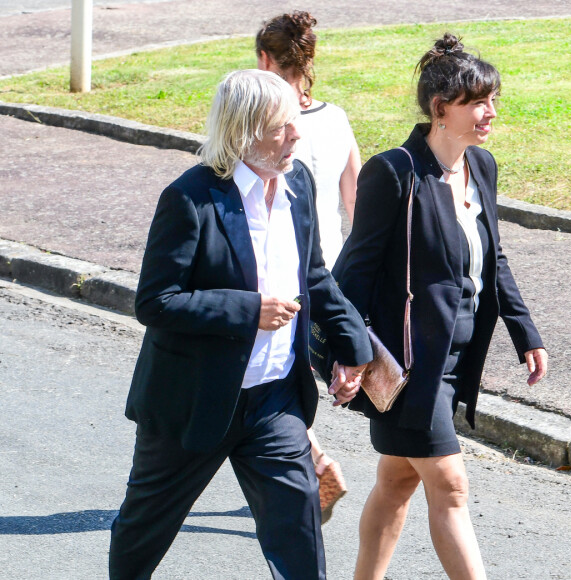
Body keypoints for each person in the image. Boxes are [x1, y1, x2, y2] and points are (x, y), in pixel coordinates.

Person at [108, 69, 372, 580]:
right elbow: (156, 302)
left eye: (296, 122)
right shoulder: (190, 199)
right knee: (144, 530)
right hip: (194, 402)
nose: (296, 135)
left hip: (274, 400)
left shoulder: (297, 181)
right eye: (282, 127)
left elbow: (313, 275)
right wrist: (249, 312)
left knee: (298, 530)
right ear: (243, 132)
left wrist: (353, 345)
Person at [336, 34, 548, 579]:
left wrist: (525, 331)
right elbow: (353, 271)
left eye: (493, 99)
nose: (491, 112)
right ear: (440, 109)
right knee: (450, 484)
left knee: (397, 481)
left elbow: (492, 256)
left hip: (458, 357)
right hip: (411, 362)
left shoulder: (482, 166)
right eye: (478, 102)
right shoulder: (394, 173)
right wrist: (347, 352)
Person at [256, 10, 362, 522]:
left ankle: (315, 462)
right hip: (332, 268)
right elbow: (356, 200)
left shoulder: (264, 123)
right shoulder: (337, 118)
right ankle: (302, 464)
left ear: (264, 59)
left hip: (281, 269)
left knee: (276, 376)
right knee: (314, 367)